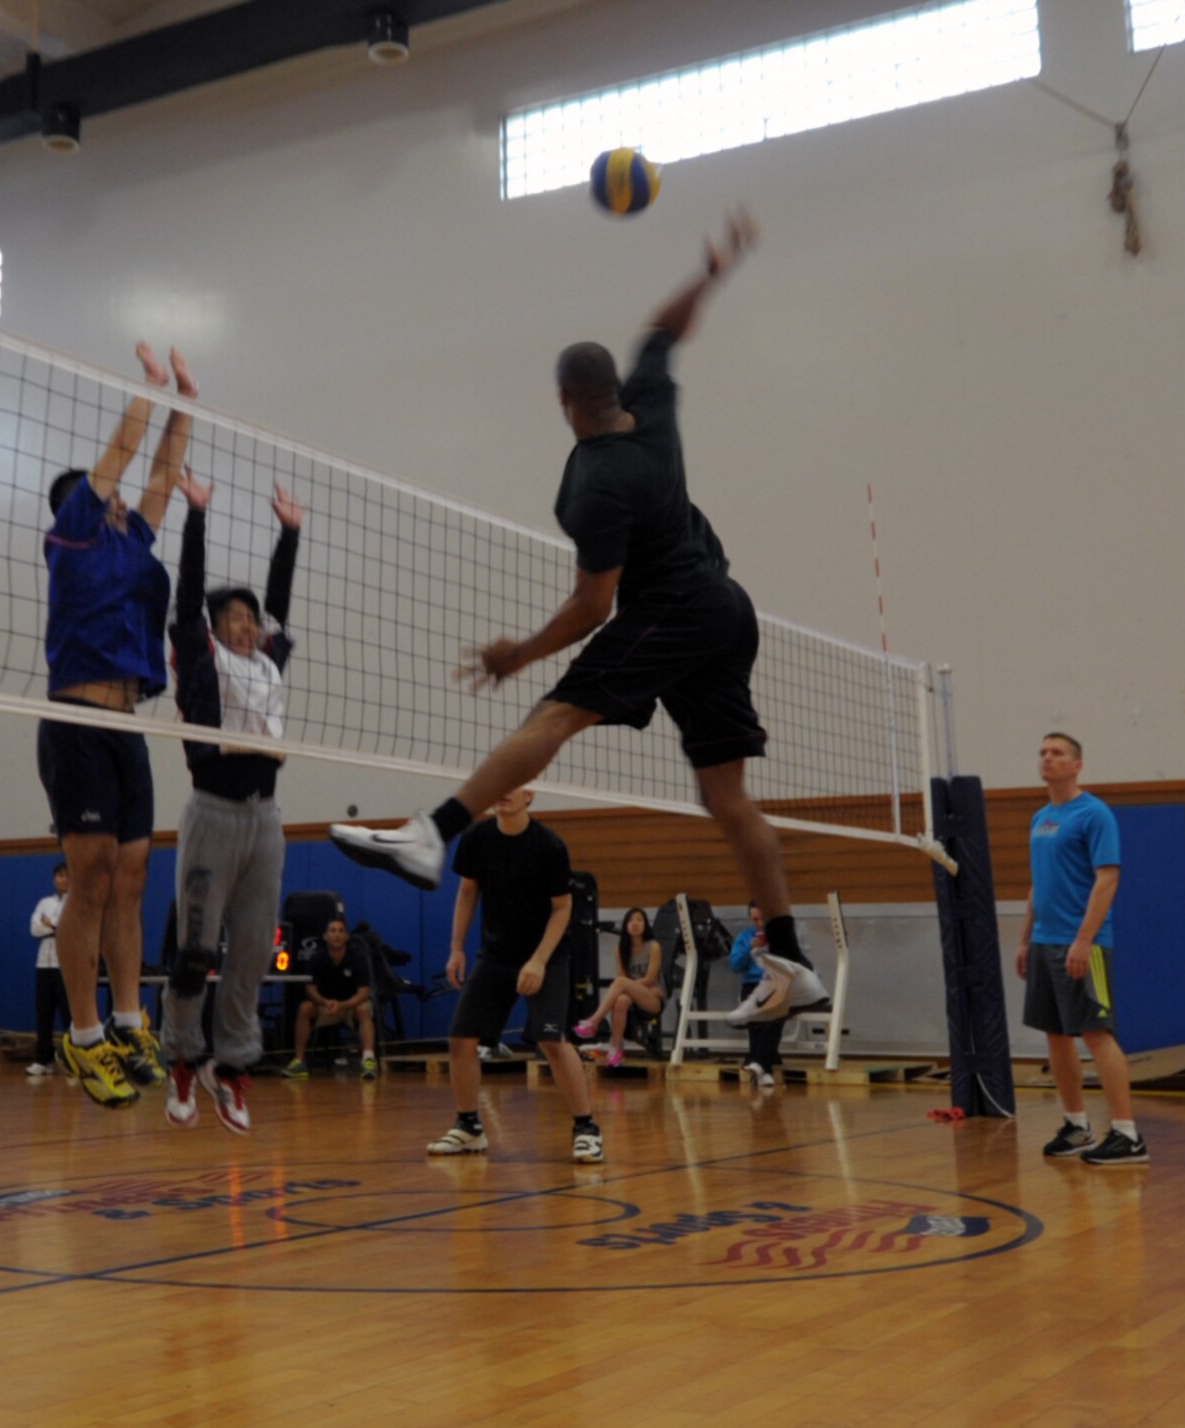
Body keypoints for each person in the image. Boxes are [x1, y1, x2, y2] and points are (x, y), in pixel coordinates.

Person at [329, 212, 827, 1022]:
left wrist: (515, 654)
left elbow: (596, 604)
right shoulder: (651, 409)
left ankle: (435, 832)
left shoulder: (595, 484)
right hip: (725, 608)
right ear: (611, 391)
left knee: (554, 712)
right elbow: (664, 331)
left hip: (675, 607)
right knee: (727, 798)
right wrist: (712, 270)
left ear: (565, 402)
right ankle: (792, 959)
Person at [38, 341, 193, 1108]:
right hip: (73, 718)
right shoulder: (71, 536)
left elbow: (161, 473)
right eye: (110, 495)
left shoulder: (131, 542)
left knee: (132, 880)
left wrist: (184, 406)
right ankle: (84, 1033)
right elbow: (126, 454)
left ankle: (129, 1021)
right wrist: (148, 389)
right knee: (91, 881)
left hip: (125, 724)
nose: (126, 501)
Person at [161, 466, 304, 1134]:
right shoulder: (199, 655)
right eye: (233, 619)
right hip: (212, 814)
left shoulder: (268, 660)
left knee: (251, 952)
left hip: (266, 820)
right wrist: (195, 517)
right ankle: (184, 1058)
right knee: (197, 952)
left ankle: (233, 1067)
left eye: (249, 619)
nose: (246, 626)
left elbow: (279, 606)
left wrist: (290, 535)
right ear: (216, 629)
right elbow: (189, 597)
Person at [429, 789, 601, 1164]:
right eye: (500, 784)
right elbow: (467, 892)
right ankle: (469, 1127)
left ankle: (586, 1128)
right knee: (460, 1039)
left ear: (529, 796)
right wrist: (456, 948)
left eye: (514, 786)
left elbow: (562, 909)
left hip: (547, 955)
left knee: (552, 1041)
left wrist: (538, 961)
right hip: (496, 955)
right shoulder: (476, 838)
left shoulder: (549, 846)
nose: (503, 792)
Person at [1019, 733, 1142, 1166]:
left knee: (1096, 1033)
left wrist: (1084, 938)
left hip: (1081, 942)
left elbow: (1107, 878)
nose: (1047, 759)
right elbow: (1038, 882)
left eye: (1057, 754)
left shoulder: (1094, 814)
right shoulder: (1040, 818)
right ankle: (1077, 1125)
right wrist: (1024, 937)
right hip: (1044, 942)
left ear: (1077, 765)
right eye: (1043, 753)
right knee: (1056, 1034)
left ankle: (1127, 1134)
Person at [284, 918, 378, 1081]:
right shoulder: (317, 959)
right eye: (333, 931)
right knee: (305, 1008)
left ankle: (368, 1060)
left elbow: (363, 992)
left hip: (350, 1007)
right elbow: (310, 989)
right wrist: (325, 1002)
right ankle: (299, 1062)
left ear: (346, 936)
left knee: (364, 1008)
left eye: (341, 931)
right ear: (325, 936)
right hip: (325, 1007)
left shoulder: (357, 958)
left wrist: (343, 1005)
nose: (337, 935)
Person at [571, 906, 661, 1069]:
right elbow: (623, 981)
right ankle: (616, 1049)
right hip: (631, 997)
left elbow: (650, 979)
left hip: (653, 998)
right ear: (626, 925)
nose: (635, 923)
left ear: (645, 925)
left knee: (620, 983)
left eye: (639, 920)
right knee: (620, 1000)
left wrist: (628, 984)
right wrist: (627, 985)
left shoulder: (653, 946)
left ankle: (593, 1022)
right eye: (631, 920)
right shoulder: (620, 950)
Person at [725, 902, 783, 1088]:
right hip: (752, 984)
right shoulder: (745, 937)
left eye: (762, 919)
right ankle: (764, 1065)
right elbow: (735, 966)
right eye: (755, 919)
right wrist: (748, 950)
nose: (759, 923)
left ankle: (756, 1059)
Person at [26, 863, 69, 1076]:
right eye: (60, 876)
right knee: (44, 1012)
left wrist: (50, 925)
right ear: (55, 879)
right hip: (44, 963)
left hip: (66, 965)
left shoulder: (78, 902)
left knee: (68, 1014)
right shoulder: (45, 902)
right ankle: (43, 1059)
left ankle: (73, 1062)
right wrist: (53, 927)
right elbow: (34, 928)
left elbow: (70, 928)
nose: (63, 879)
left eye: (67, 876)